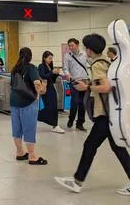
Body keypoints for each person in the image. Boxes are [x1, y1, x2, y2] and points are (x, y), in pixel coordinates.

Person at [55, 33, 130, 196]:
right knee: (118, 148)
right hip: (110, 113)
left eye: (85, 47)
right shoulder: (106, 62)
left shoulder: (96, 65)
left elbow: (105, 87)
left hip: (105, 115)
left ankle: (77, 181)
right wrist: (90, 84)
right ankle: (77, 180)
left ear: (89, 49)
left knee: (91, 145)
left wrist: (86, 87)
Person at [10, 47, 47, 165]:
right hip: (27, 102)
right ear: (30, 56)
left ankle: (20, 152)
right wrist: (38, 94)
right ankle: (32, 156)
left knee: (17, 128)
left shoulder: (15, 69)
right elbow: (37, 83)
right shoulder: (31, 68)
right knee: (29, 128)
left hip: (14, 101)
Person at [63, 38, 88, 132]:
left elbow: (89, 64)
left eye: (72, 45)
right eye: (69, 46)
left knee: (82, 103)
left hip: (84, 81)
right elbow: (65, 68)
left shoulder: (84, 54)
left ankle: (80, 123)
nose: (70, 47)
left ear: (77, 45)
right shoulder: (67, 56)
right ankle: (71, 119)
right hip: (74, 81)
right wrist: (68, 75)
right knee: (74, 102)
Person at [38, 51, 65, 134]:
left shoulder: (50, 66)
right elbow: (42, 76)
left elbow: (52, 79)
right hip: (45, 89)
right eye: (49, 58)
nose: (51, 60)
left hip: (51, 88)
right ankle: (35, 115)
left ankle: (55, 125)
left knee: (54, 107)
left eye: (51, 58)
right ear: (44, 58)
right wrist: (51, 72)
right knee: (49, 107)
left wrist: (56, 74)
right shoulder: (41, 66)